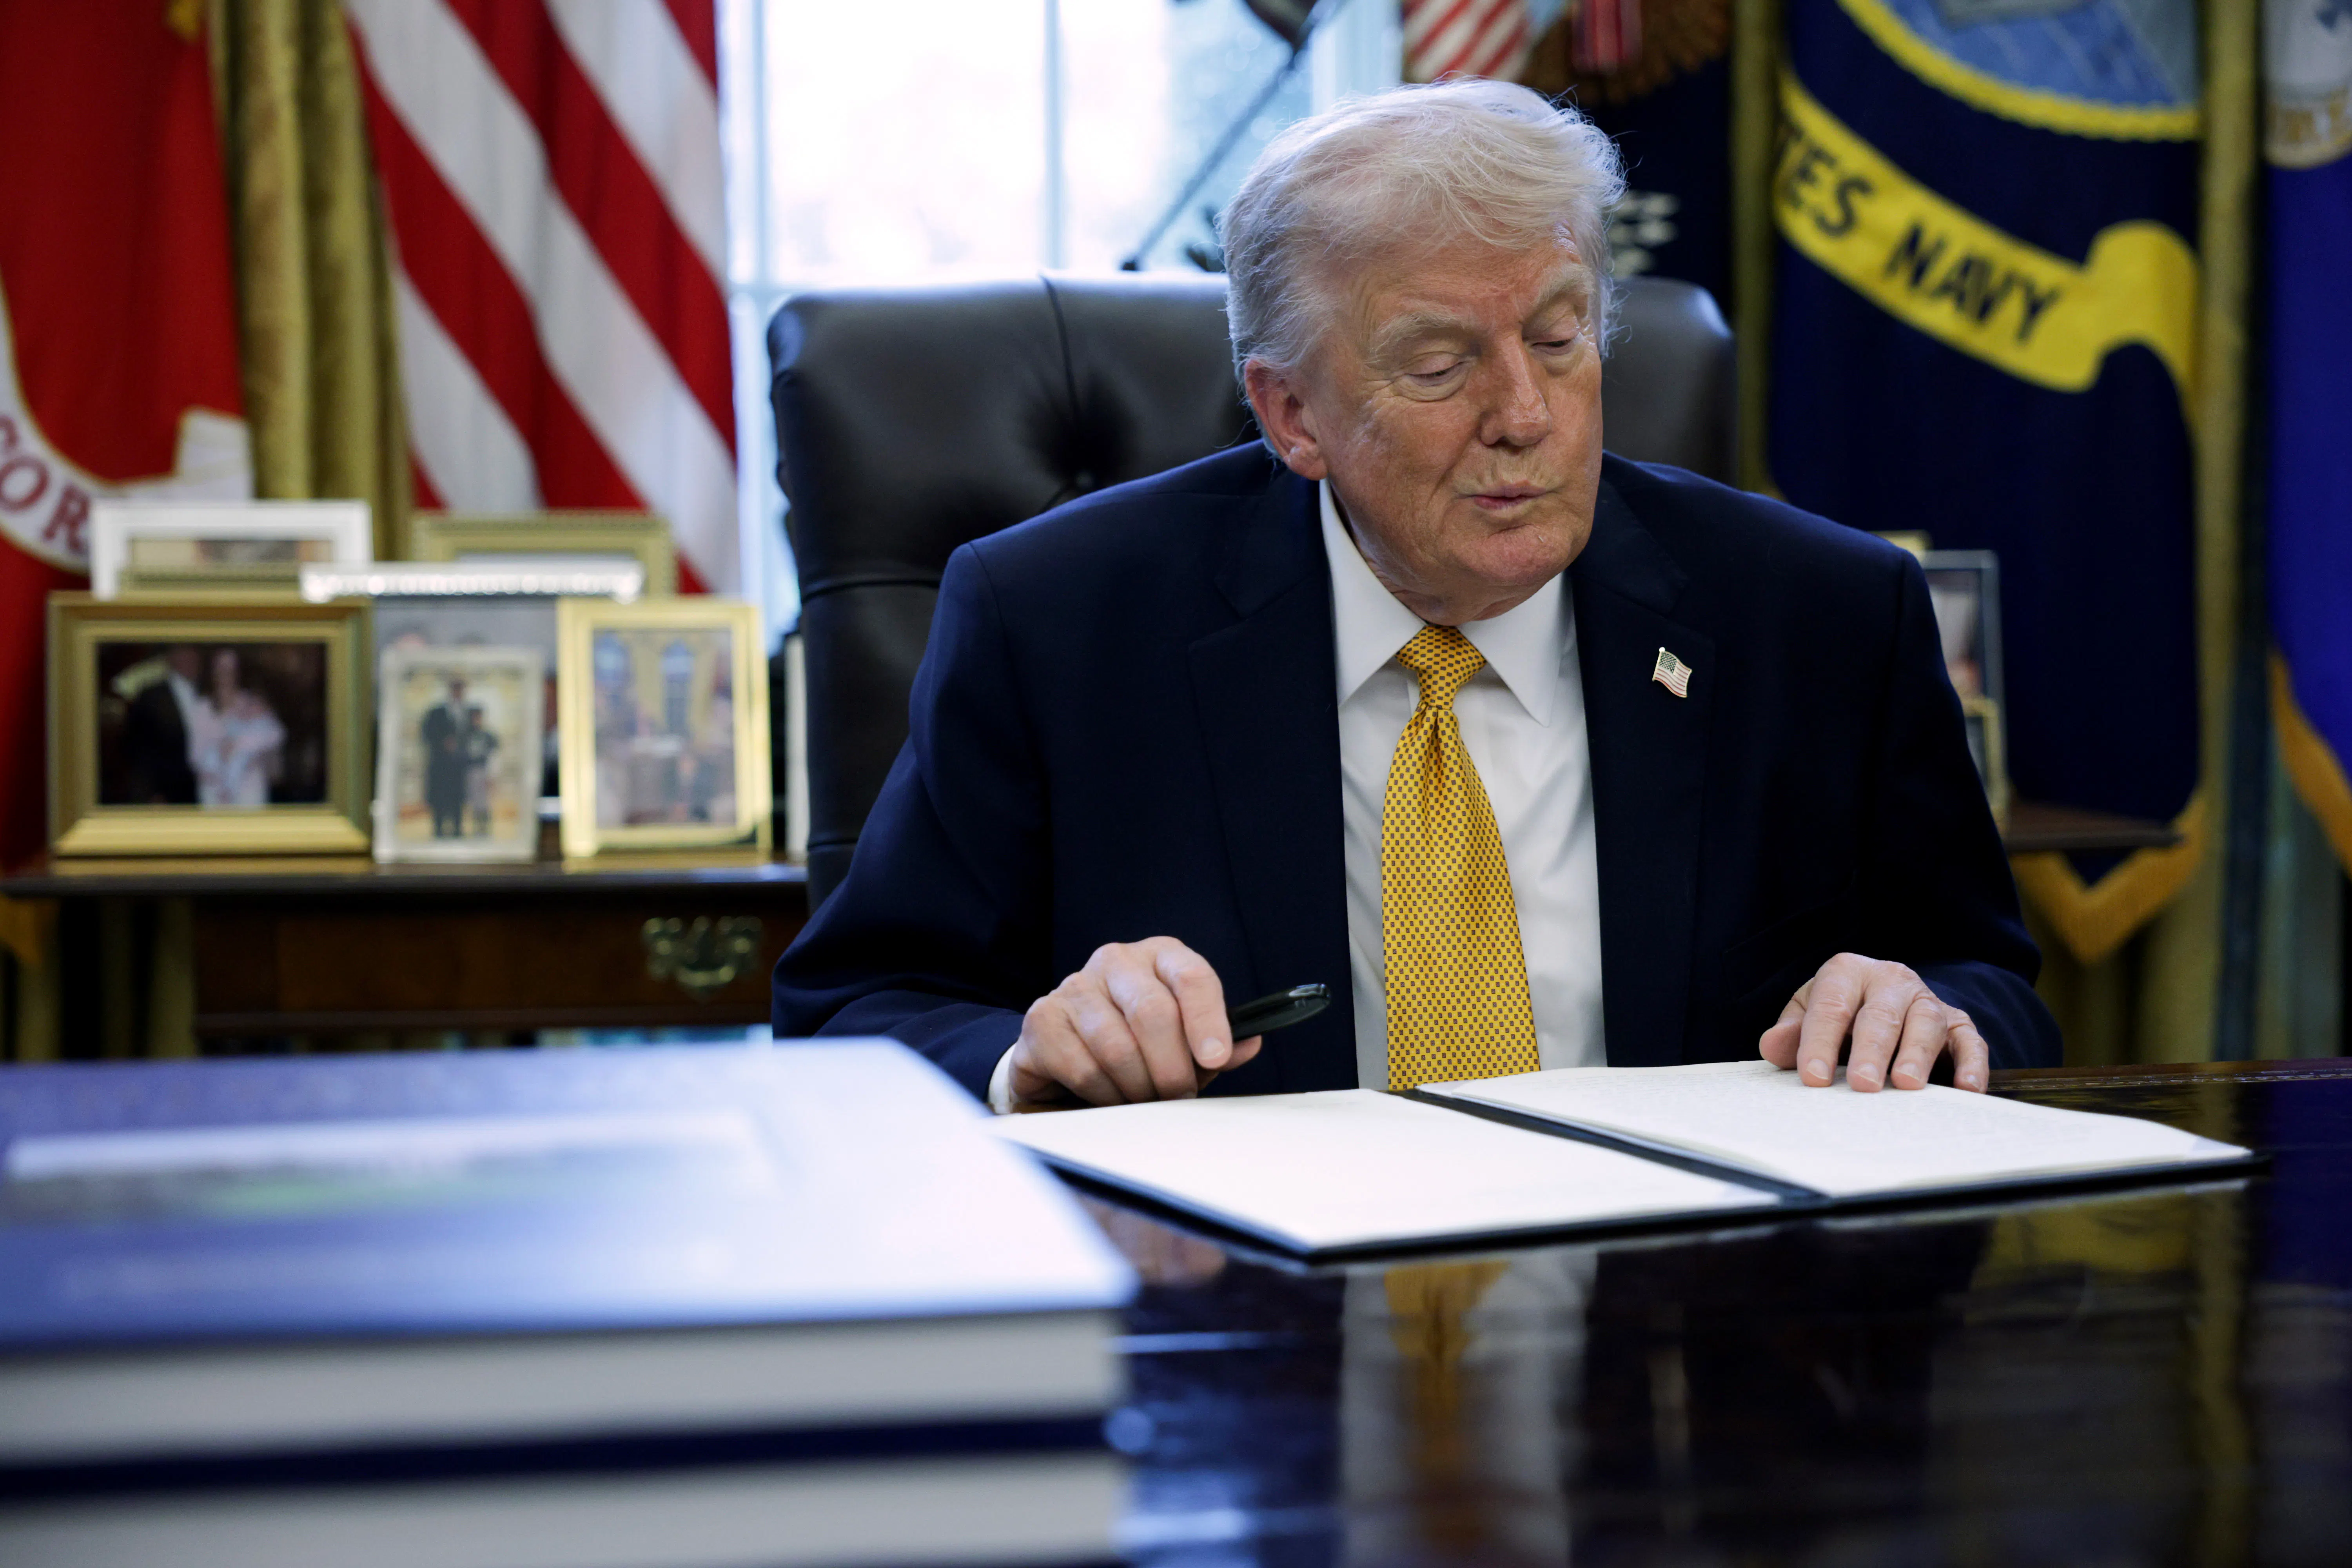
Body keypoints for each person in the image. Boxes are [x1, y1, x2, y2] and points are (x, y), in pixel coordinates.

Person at [772, 81, 2061, 1111]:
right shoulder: (1058, 622)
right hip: (1255, 1318)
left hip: (1687, 1322)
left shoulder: (1823, 617)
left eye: (1559, 337)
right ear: (1292, 413)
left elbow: (1988, 981)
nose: (1527, 414)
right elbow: (858, 1012)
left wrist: (1922, 1011)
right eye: (1441, 366)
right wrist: (1030, 1060)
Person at [188, 648, 284, 808]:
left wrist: (250, 753)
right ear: (212, 672)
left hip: (250, 791)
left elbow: (274, 739)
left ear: (239, 672)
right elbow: (195, 757)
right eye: (221, 669)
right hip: (213, 791)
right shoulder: (202, 708)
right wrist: (221, 753)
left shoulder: (254, 704)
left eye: (231, 669)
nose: (226, 674)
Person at [118, 645, 203, 805]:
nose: (191, 658)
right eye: (185, 652)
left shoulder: (208, 692)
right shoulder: (151, 697)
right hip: (166, 795)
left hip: (206, 793)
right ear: (171, 657)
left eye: (194, 653)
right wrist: (150, 794)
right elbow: (137, 750)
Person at [419, 677, 470, 837]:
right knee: (440, 798)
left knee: (457, 798)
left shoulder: (467, 712)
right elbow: (427, 733)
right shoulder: (437, 712)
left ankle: (457, 828)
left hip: (458, 765)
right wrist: (443, 743)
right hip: (440, 763)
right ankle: (439, 828)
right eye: (456, 689)